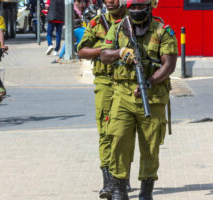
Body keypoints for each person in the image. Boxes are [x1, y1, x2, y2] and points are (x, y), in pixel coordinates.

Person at [100, 0, 178, 199]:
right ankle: (118, 188)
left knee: (150, 145)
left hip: (151, 96)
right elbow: (104, 55)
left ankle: (146, 190)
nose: (136, 11)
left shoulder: (163, 31)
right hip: (122, 95)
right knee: (118, 140)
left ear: (149, 7)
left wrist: (150, 82)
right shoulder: (118, 30)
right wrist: (120, 52)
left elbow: (169, 65)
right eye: (132, 7)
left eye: (140, 7)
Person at [77, 0, 128, 198]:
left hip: (127, 81)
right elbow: (81, 51)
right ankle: (108, 181)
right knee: (106, 131)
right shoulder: (96, 23)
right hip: (105, 81)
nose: (111, 1)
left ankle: (122, 177)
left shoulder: (131, 20)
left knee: (124, 132)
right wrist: (106, 52)